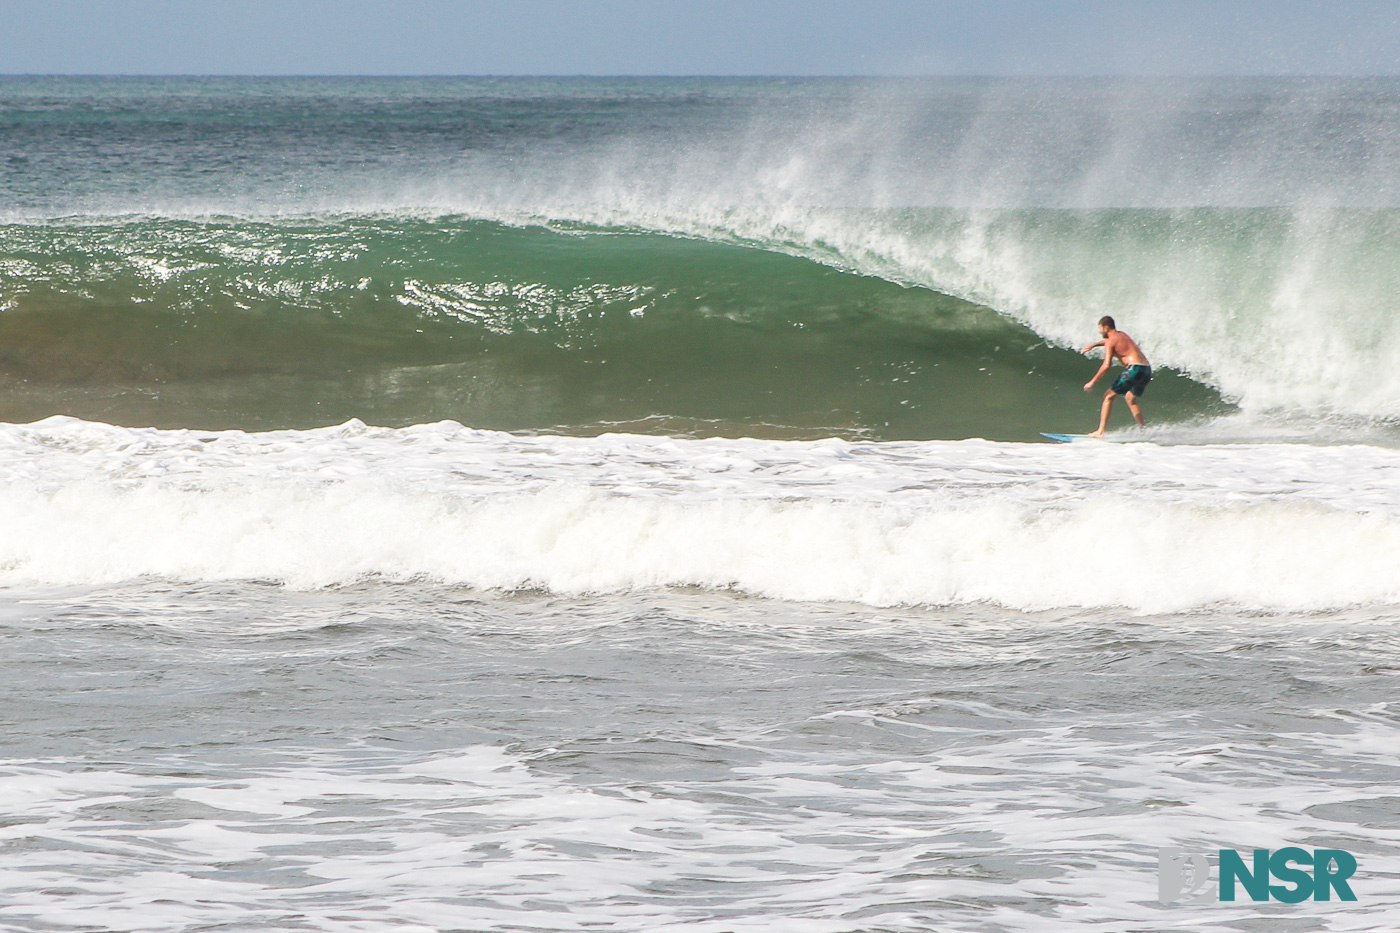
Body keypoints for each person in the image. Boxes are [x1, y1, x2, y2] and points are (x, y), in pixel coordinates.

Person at [1079, 316, 1150, 438]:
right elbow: (1108, 342)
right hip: (1146, 369)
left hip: (1133, 369)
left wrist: (1092, 382)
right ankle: (1143, 430)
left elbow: (1106, 366)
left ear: (1106, 328)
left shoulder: (1111, 341)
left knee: (1108, 396)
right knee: (1130, 398)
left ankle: (1100, 431)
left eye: (1100, 329)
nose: (1099, 331)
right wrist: (1094, 345)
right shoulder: (1122, 335)